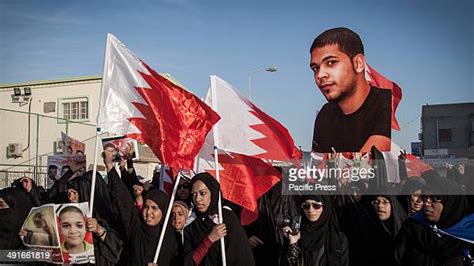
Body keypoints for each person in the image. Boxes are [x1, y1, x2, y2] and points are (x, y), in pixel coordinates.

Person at [310, 27, 391, 153]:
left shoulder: (385, 101)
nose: (320, 75)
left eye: (331, 63)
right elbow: (319, 167)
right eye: (315, 68)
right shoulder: (326, 114)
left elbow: (371, 157)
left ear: (358, 63)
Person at [104, 147, 180, 265]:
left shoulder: (172, 238)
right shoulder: (136, 229)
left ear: (164, 211)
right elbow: (123, 199)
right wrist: (109, 166)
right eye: (146, 207)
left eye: (154, 208)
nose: (148, 212)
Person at [395, 171, 473, 266]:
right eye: (425, 198)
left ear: (451, 203)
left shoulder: (468, 235)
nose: (427, 203)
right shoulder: (412, 228)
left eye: (435, 198)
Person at [184, 172, 255, 266]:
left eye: (202, 193)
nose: (197, 199)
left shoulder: (226, 218)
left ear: (213, 193)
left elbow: (241, 256)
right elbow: (189, 262)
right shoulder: (192, 223)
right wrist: (209, 239)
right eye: (194, 194)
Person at [282, 195, 348, 266]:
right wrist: (293, 244)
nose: (310, 210)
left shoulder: (338, 239)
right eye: (306, 206)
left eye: (316, 206)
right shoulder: (296, 235)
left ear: (325, 207)